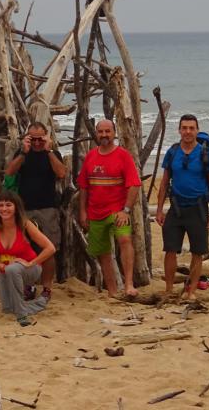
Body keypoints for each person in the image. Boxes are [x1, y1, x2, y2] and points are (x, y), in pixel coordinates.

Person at [156, 114, 209, 300]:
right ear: (179, 130)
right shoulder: (173, 152)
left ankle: (191, 291)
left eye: (191, 128)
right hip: (175, 208)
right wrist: (159, 210)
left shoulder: (205, 154)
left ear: (197, 130)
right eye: (184, 128)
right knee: (169, 250)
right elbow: (164, 183)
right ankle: (168, 289)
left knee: (197, 252)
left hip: (198, 208)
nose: (188, 132)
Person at [77, 119, 142, 298]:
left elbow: (135, 185)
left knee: (124, 240)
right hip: (95, 212)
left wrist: (126, 210)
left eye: (108, 131)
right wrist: (82, 211)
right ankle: (112, 291)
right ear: (96, 134)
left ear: (114, 133)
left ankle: (129, 284)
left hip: (117, 211)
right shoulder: (91, 156)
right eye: (101, 132)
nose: (104, 135)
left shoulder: (123, 155)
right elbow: (84, 186)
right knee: (103, 252)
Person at [3, 121, 66, 301]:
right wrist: (24, 151)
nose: (37, 142)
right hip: (25, 209)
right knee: (25, 250)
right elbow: (9, 172)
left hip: (48, 208)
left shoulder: (53, 154)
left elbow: (61, 173)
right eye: (33, 139)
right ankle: (28, 286)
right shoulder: (23, 153)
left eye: (40, 139)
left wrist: (49, 151)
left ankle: (46, 288)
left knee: (49, 249)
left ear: (46, 137)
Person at [0, 191, 55, 326]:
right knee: (7, 309)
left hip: (31, 269)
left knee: (12, 269)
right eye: (1, 205)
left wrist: (31, 263)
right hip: (6, 270)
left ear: (16, 207)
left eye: (8, 205)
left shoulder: (25, 224)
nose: (4, 209)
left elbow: (50, 248)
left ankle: (22, 316)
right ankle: (40, 303)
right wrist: (3, 267)